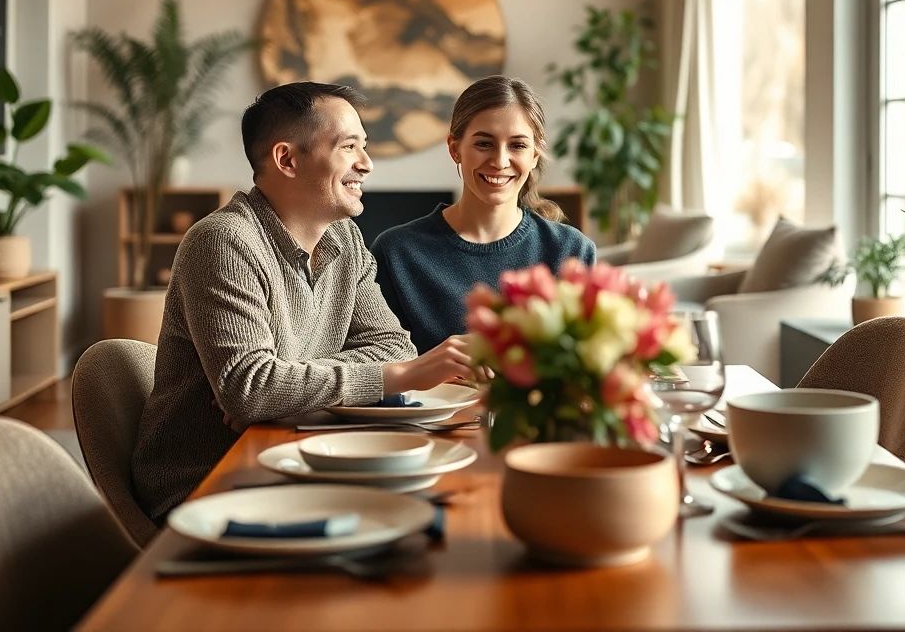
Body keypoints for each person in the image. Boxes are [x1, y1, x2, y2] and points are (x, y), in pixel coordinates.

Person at [132, 81, 476, 523]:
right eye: (349, 146)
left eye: (363, 146)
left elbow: (393, 344)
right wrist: (405, 376)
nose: (366, 164)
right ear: (287, 159)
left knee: (436, 506)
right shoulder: (223, 242)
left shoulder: (344, 240)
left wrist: (289, 390)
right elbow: (251, 389)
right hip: (211, 487)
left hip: (293, 458)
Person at [372, 75, 596, 354]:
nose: (500, 161)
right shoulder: (397, 253)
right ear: (455, 149)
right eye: (484, 144)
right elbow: (380, 367)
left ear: (535, 155)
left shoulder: (571, 251)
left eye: (517, 145)